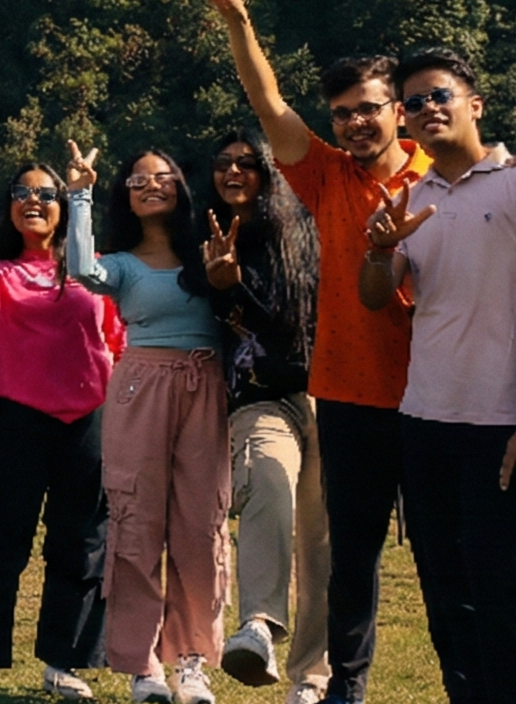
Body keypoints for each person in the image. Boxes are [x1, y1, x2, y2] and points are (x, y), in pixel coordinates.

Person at [209, 0, 423, 704]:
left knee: (443, 554)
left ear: (397, 110)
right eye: (342, 113)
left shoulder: (441, 176)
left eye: (368, 108)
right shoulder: (327, 175)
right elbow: (269, 107)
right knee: (345, 553)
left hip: (435, 396)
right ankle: (337, 687)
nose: (355, 122)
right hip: (347, 395)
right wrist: (239, 24)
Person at [359, 49, 516, 704]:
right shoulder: (413, 197)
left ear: (474, 104)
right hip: (424, 420)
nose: (427, 108)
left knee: (493, 583)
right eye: (414, 102)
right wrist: (378, 249)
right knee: (443, 591)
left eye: (440, 95)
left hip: (501, 425)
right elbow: (375, 296)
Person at [0, 161, 112, 701]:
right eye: (22, 192)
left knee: (81, 539)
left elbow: (119, 340)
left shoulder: (94, 269)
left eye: (46, 193)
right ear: (9, 207)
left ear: (64, 207)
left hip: (88, 415)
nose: (33, 200)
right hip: (17, 415)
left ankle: (65, 660)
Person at [66, 143, 229, 704]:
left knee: (200, 527)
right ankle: (143, 665)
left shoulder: (207, 251)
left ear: (180, 186)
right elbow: (81, 269)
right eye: (137, 181)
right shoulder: (123, 263)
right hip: (141, 386)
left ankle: (192, 662)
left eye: (162, 177)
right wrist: (79, 195)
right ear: (125, 198)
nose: (151, 185)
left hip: (205, 385)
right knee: (136, 523)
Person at [203, 131, 328, 701]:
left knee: (322, 541)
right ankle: (257, 624)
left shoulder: (305, 233)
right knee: (266, 482)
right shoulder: (204, 238)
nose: (234, 172)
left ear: (269, 173)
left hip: (326, 394)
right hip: (258, 400)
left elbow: (288, 326)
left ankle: (313, 677)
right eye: (223, 163)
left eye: (247, 163)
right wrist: (219, 282)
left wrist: (237, 288)